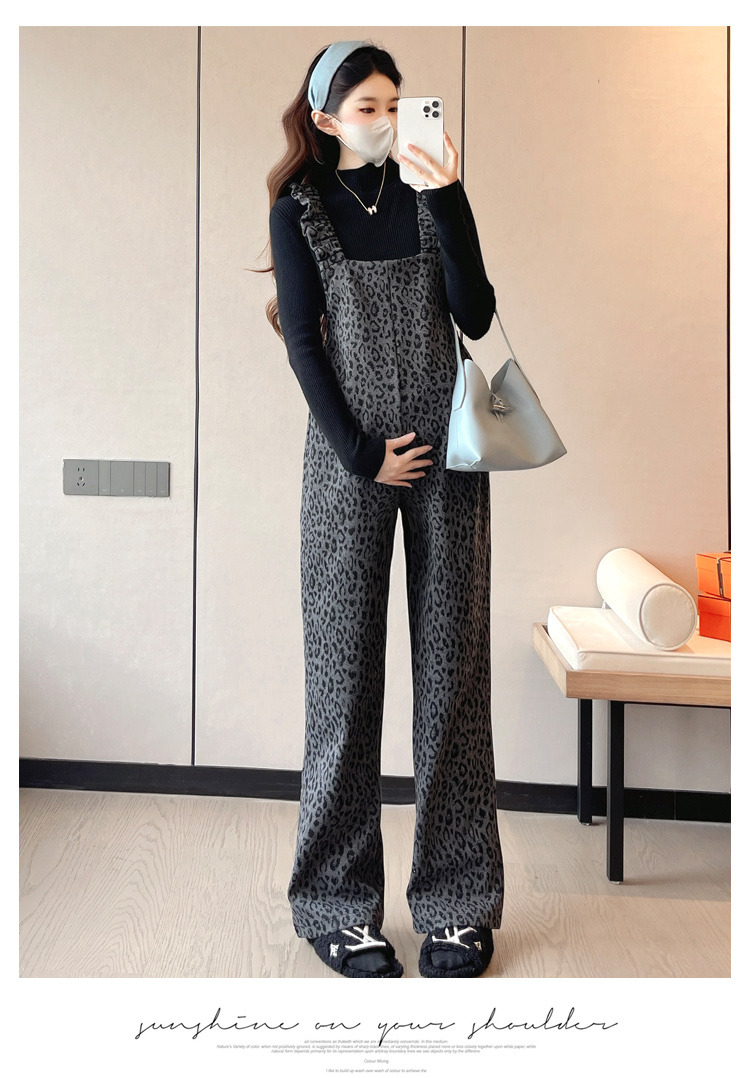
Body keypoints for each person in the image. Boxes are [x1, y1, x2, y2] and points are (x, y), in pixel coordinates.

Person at [263, 39, 505, 978]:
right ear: (327, 119)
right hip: (348, 467)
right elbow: (304, 347)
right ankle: (336, 904)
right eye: (368, 107)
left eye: (395, 104)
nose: (387, 120)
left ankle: (457, 905)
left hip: (448, 457)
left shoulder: (426, 191)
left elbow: (475, 313)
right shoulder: (301, 208)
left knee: (453, 679)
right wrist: (363, 455)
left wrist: (449, 193)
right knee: (343, 681)